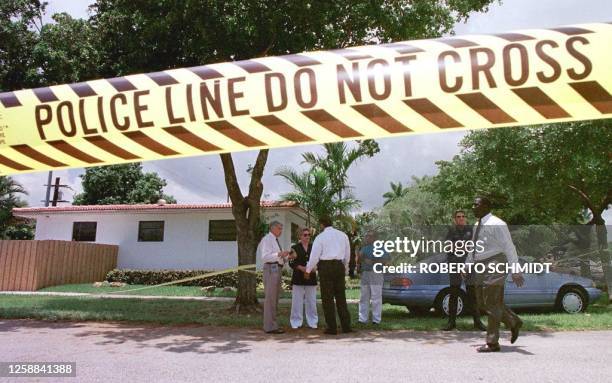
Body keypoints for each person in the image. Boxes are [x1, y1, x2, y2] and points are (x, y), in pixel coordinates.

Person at [466, 197, 525, 352]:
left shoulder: (498, 224)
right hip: (480, 264)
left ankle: (492, 342)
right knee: (482, 302)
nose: (473, 207)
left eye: (476, 205)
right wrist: (467, 265)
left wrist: (516, 270)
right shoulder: (477, 224)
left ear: (485, 206)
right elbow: (474, 246)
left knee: (491, 301)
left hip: (495, 262)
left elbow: (509, 247)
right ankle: (513, 321)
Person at [305, 216, 352, 335]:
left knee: (327, 298)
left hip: (325, 268)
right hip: (338, 266)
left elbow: (315, 256)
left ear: (321, 225)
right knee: (341, 297)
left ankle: (332, 327)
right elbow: (347, 254)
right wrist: (345, 267)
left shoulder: (320, 237)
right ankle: (346, 326)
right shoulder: (343, 235)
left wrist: (308, 270)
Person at [443, 210, 486, 331]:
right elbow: (447, 246)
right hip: (455, 265)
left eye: (463, 216)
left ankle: (477, 322)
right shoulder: (451, 231)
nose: (461, 218)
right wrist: (464, 245)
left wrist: (458, 245)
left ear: (466, 218)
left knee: (472, 294)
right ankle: (451, 323)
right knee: (454, 294)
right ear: (454, 219)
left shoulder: (471, 230)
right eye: (458, 216)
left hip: (469, 267)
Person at [259, 221, 293, 334]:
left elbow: (278, 258)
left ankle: (272, 324)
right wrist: (279, 254)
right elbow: (265, 257)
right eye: (279, 228)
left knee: (274, 298)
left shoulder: (275, 240)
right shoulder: (267, 239)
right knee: (270, 299)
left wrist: (287, 257)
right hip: (270, 270)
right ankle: (270, 326)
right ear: (272, 228)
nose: (281, 231)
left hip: (276, 269)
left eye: (281, 228)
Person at [356, 230, 390, 325]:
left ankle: (376, 320)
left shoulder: (381, 248)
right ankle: (362, 319)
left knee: (376, 297)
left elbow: (386, 261)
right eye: (366, 236)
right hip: (365, 273)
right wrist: (359, 257)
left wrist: (373, 261)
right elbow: (359, 260)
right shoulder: (364, 248)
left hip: (376, 273)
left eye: (370, 236)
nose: (367, 238)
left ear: (375, 238)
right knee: (363, 296)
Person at [289, 227, 318, 329]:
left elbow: (318, 260)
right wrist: (301, 268)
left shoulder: (314, 247)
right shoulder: (294, 247)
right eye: (305, 235)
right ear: (300, 236)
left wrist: (314, 267)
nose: (307, 237)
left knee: (312, 301)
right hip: (298, 277)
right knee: (297, 301)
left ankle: (312, 322)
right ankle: (296, 322)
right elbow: (291, 262)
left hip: (311, 277)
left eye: (309, 235)